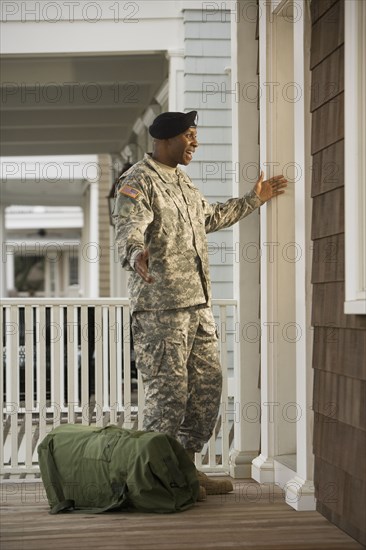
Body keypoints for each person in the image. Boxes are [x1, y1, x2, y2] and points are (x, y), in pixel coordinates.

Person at [114, 110, 287, 497]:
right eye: (189, 136)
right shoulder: (139, 181)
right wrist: (135, 253)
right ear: (166, 139)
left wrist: (253, 200)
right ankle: (151, 481)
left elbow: (207, 218)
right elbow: (129, 230)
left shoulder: (183, 182)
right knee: (168, 398)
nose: (195, 142)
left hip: (198, 307)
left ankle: (185, 469)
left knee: (208, 390)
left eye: (196, 135)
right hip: (161, 311)